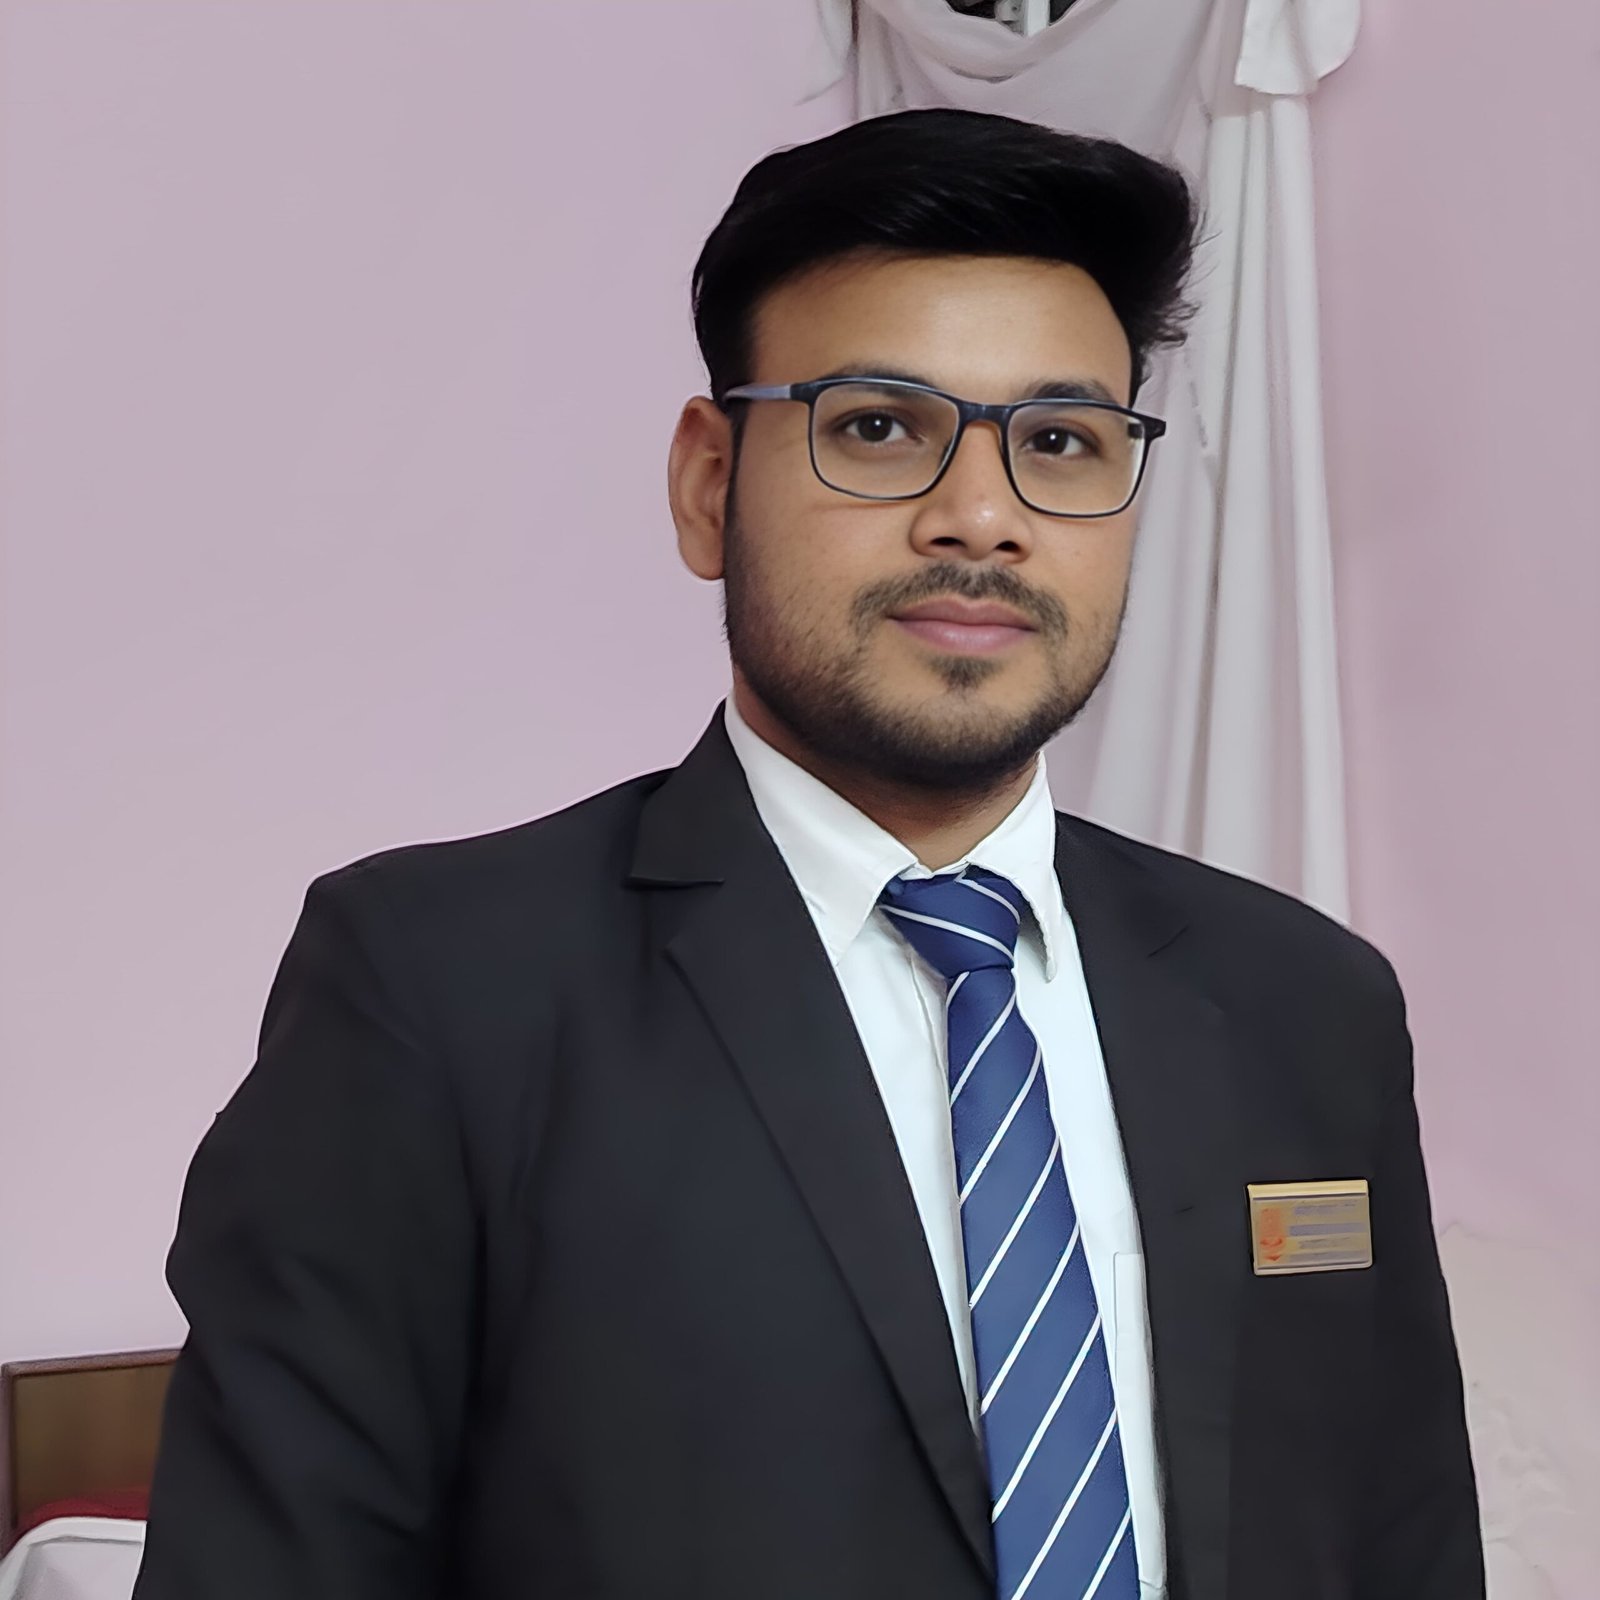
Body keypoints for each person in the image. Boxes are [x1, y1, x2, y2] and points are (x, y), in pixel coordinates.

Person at [133, 109, 1483, 1600]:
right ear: (710, 485)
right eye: (880, 427)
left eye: (1059, 443)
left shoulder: (1305, 1002)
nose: (982, 519)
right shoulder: (440, 991)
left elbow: (1403, 1544)